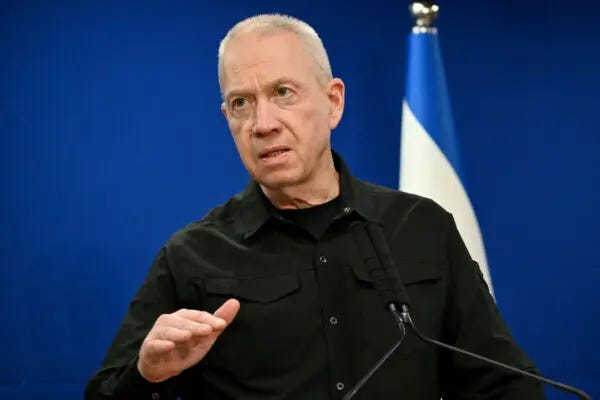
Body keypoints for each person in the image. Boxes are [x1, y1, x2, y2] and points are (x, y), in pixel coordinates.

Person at [85, 14, 545, 400]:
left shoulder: (422, 227)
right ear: (227, 119)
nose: (263, 124)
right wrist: (148, 375)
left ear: (333, 102)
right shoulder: (192, 254)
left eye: (283, 92)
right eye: (241, 103)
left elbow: (504, 384)